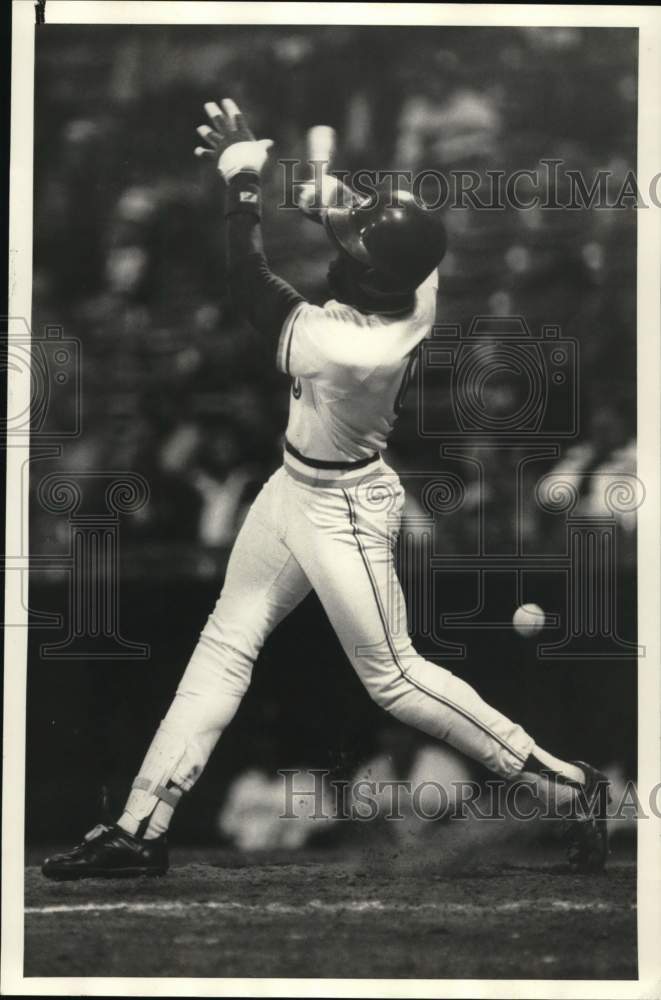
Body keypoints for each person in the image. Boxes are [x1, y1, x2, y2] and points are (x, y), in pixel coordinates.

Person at [42, 100, 609, 880]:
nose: (341, 254)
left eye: (356, 251)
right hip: (292, 488)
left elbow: (249, 280)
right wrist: (321, 197)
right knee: (224, 642)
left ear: (374, 276)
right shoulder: (417, 277)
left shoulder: (341, 346)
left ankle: (565, 788)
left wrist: (245, 180)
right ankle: (141, 824)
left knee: (394, 677)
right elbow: (361, 231)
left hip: (344, 508)